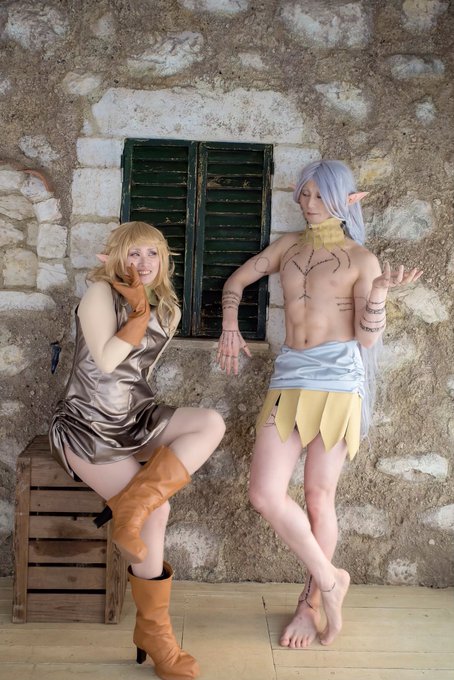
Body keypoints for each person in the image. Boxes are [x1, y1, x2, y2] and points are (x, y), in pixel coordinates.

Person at [216, 160, 422, 649]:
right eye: (304, 194)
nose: (308, 204)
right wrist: (229, 325)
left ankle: (309, 605)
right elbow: (235, 283)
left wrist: (378, 294)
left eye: (319, 196)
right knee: (264, 494)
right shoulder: (287, 246)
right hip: (289, 377)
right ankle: (331, 580)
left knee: (317, 497)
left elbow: (367, 340)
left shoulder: (361, 259)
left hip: (338, 382)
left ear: (349, 201)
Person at [50, 221, 225, 680]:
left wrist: (149, 307)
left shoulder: (169, 308)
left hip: (133, 415)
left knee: (211, 422)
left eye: (152, 253)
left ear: (164, 260)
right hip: (87, 425)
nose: (143, 262)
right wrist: (138, 310)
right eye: (133, 253)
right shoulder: (99, 295)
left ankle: (131, 507)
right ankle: (155, 632)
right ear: (115, 258)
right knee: (158, 512)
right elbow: (108, 361)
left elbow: (137, 373)